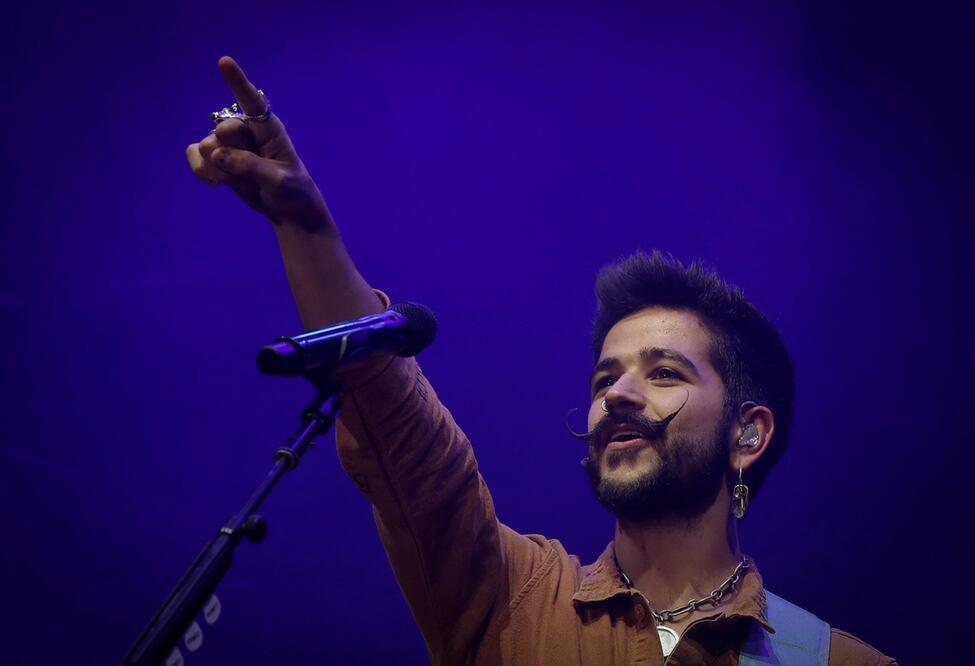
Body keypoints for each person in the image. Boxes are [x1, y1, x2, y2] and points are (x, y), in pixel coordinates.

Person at [188, 57, 895, 665]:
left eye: (663, 372)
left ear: (748, 435)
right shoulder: (513, 599)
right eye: (603, 377)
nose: (617, 393)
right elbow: (406, 441)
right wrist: (305, 223)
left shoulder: (837, 660)